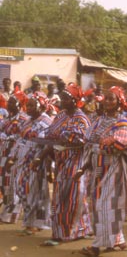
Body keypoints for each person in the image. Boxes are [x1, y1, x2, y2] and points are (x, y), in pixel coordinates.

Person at [76, 86, 127, 256]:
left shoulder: (124, 123)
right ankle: (117, 239)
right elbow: (90, 145)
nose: (107, 102)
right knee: (100, 206)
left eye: (111, 99)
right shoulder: (98, 121)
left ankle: (97, 245)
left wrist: (114, 143)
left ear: (119, 102)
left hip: (113, 169)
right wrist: (83, 168)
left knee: (106, 205)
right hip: (97, 169)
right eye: (105, 98)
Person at [33, 83, 92, 244]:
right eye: (63, 98)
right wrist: (41, 157)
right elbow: (51, 138)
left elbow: (83, 141)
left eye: (66, 98)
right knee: (61, 197)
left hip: (76, 161)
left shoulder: (82, 119)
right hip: (60, 161)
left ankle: (66, 233)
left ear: (75, 100)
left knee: (73, 196)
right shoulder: (60, 116)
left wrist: (65, 140)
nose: (63, 101)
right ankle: (72, 230)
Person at [12, 92, 53, 234]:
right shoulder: (28, 120)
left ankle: (35, 223)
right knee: (21, 188)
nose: (28, 107)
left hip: (37, 160)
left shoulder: (47, 121)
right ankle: (31, 222)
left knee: (34, 191)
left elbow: (49, 143)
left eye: (31, 105)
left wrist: (42, 161)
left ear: (41, 106)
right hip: (24, 159)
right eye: (27, 105)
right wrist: (14, 156)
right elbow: (20, 138)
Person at [0, 89, 29, 224]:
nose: (8, 104)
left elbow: (23, 137)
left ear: (19, 104)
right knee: (4, 183)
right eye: (8, 102)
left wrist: (9, 137)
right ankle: (6, 211)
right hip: (3, 153)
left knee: (12, 184)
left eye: (12, 102)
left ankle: (11, 216)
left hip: (15, 155)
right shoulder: (8, 117)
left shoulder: (23, 119)